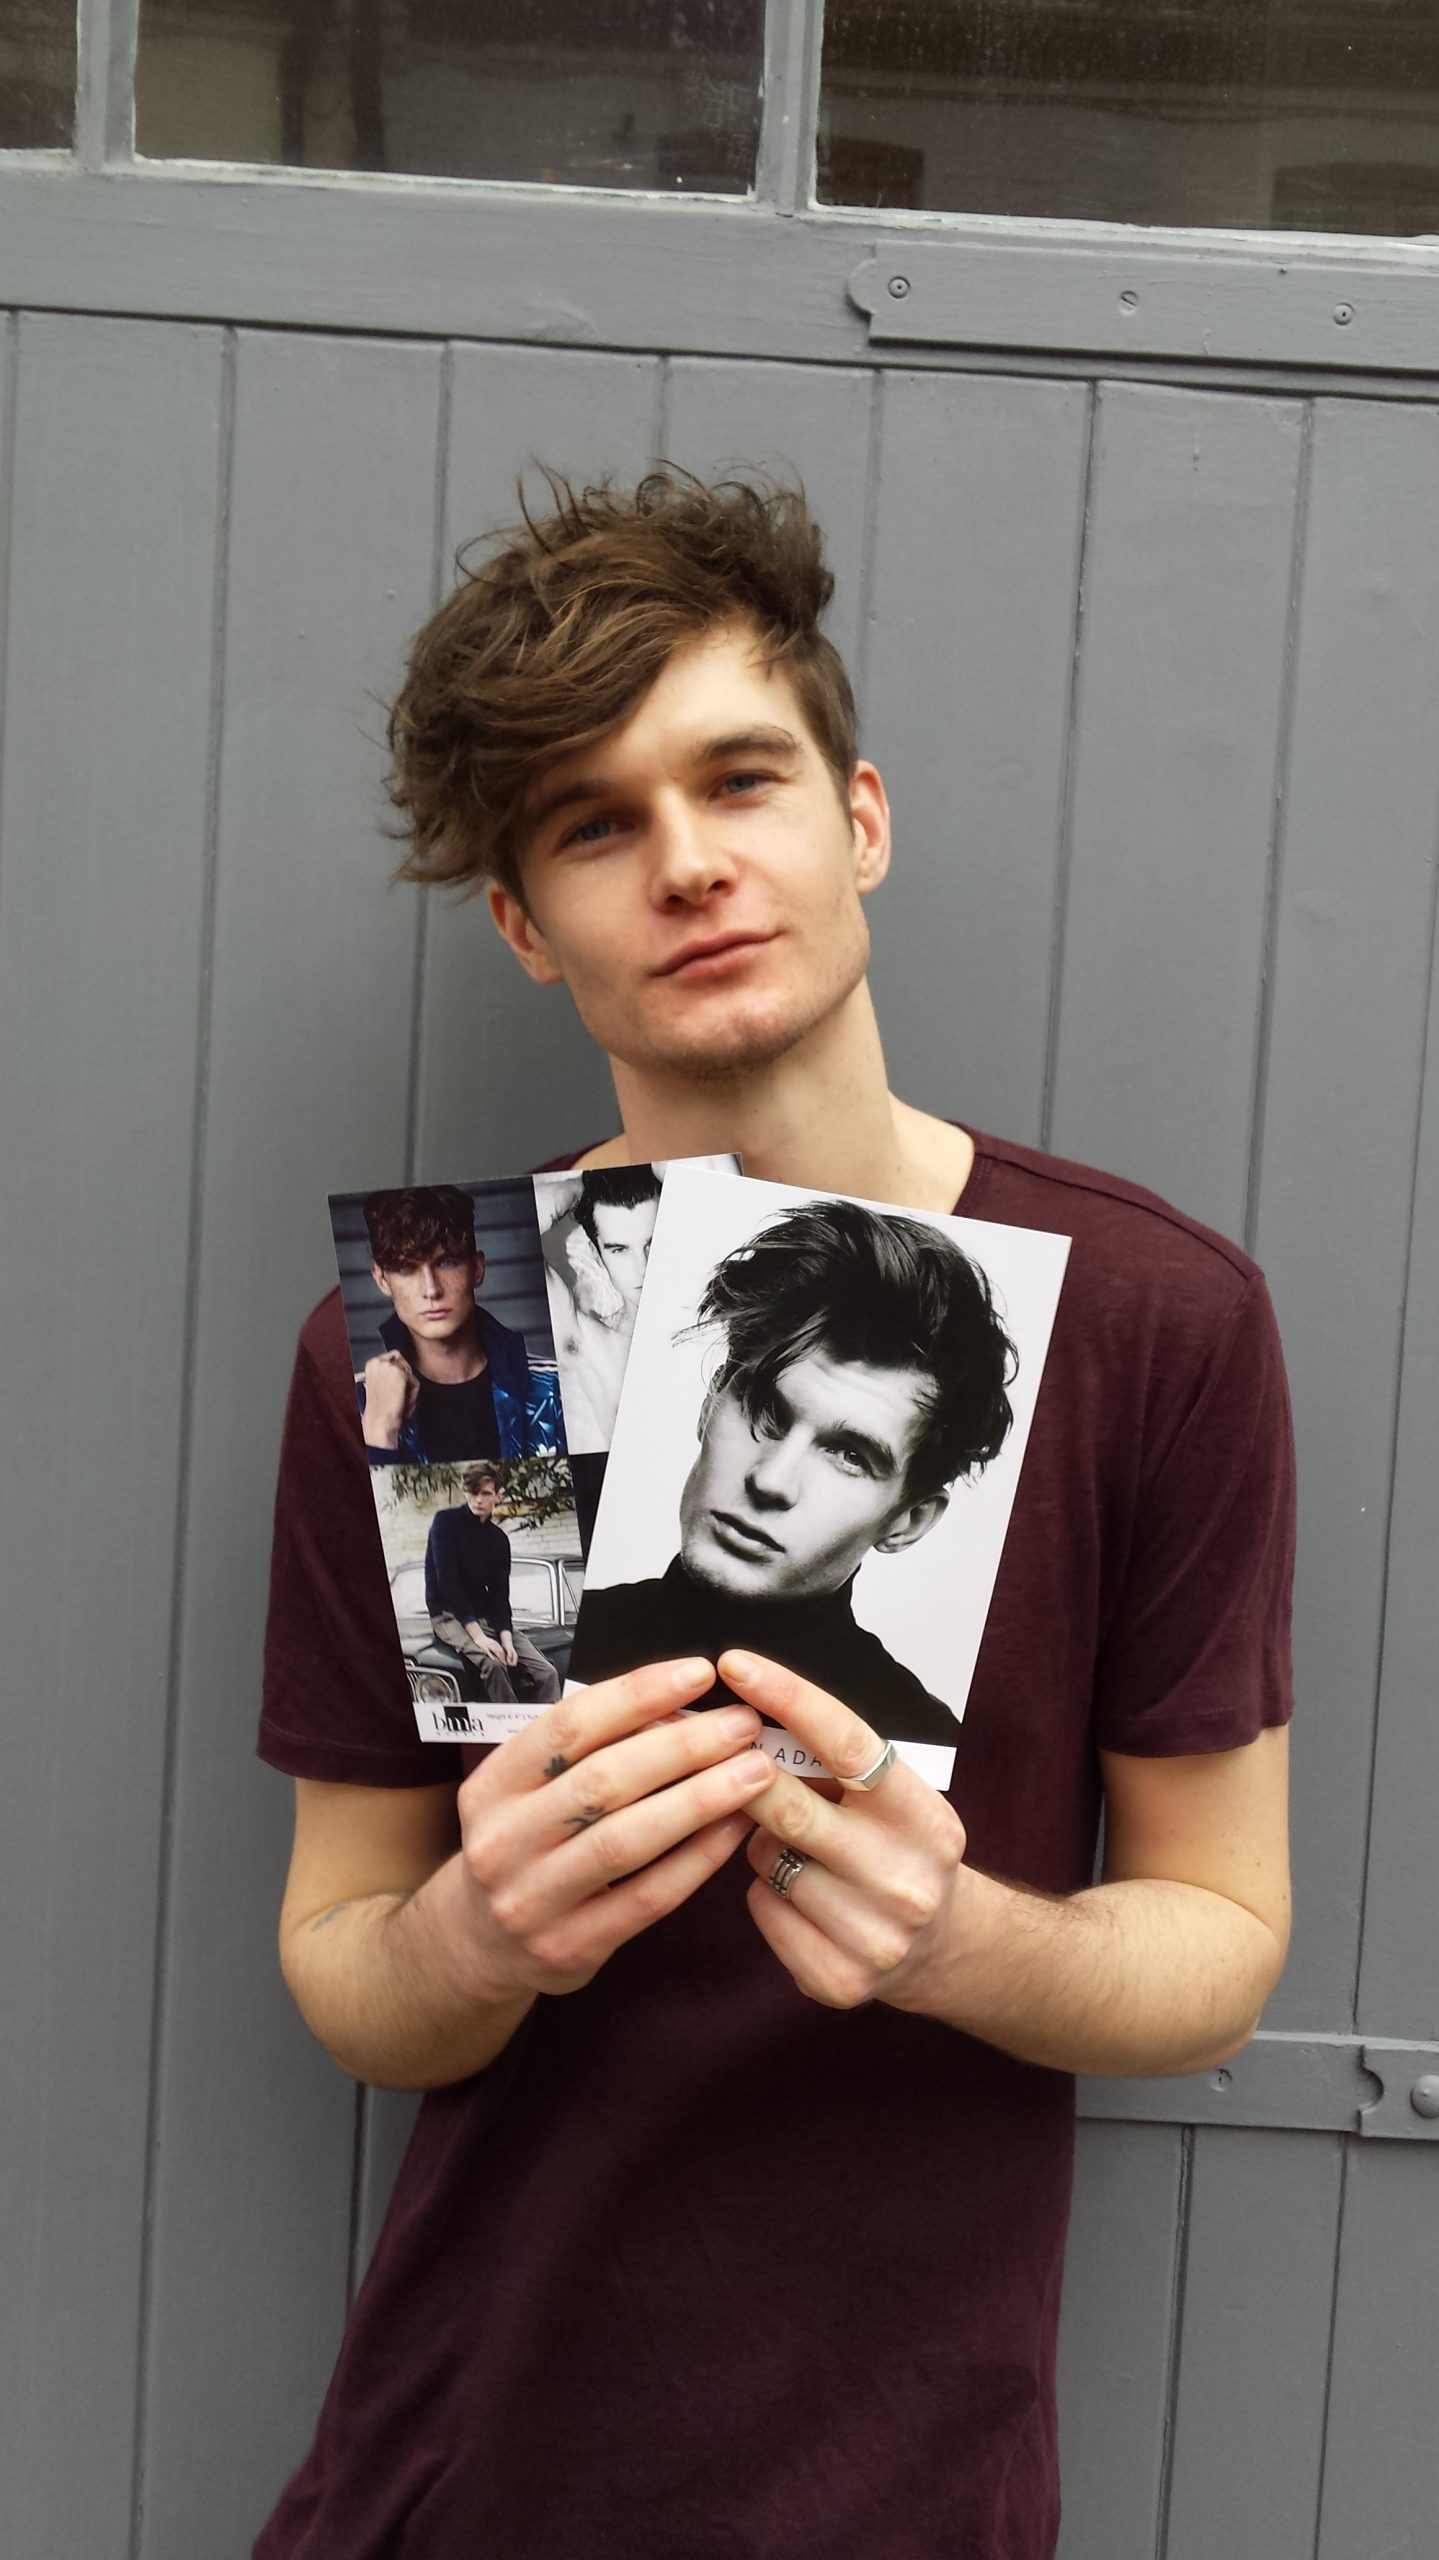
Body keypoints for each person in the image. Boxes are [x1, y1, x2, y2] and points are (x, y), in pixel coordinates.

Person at [258, 470, 1294, 2560]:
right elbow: (342, 1951)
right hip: (464, 2473)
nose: (687, 863)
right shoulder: (469, 1337)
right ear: (523, 926)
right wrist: (471, 1938)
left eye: (738, 778)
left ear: (858, 819)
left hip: (908, 2485)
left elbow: (1216, 1934)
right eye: (591, 825)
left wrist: (959, 1940)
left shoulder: (1150, 1319)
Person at [571, 1196, 1016, 1745]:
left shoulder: (919, 1741)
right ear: (711, 1404)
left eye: (850, 1455)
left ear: (909, 1520)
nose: (770, 1481)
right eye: (765, 1412)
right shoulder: (557, 1652)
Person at [357, 1182, 550, 1463]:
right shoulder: (358, 1400)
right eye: (406, 1268)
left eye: (446, 1262)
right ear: (382, 1280)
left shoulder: (554, 1386)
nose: (431, 1290)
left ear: (477, 1269)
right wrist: (377, 1431)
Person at [538, 1163, 663, 1450]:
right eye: (619, 1249)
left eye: (653, 1243)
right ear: (596, 1254)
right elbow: (533, 1213)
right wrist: (580, 1187)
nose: (643, 1268)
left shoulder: (725, 1310)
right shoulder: (591, 1343)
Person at [424, 1462, 561, 1709]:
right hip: (448, 1616)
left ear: (498, 1496)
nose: (478, 1500)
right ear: (465, 1491)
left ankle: (550, 1726)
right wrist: (480, 1638)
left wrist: (506, 1639)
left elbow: (499, 1596)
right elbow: (448, 1583)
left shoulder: (498, 1539)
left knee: (547, 1672)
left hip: (486, 1617)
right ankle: (511, 1726)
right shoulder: (445, 1522)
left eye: (486, 1493)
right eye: (473, 1492)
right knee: (494, 1664)